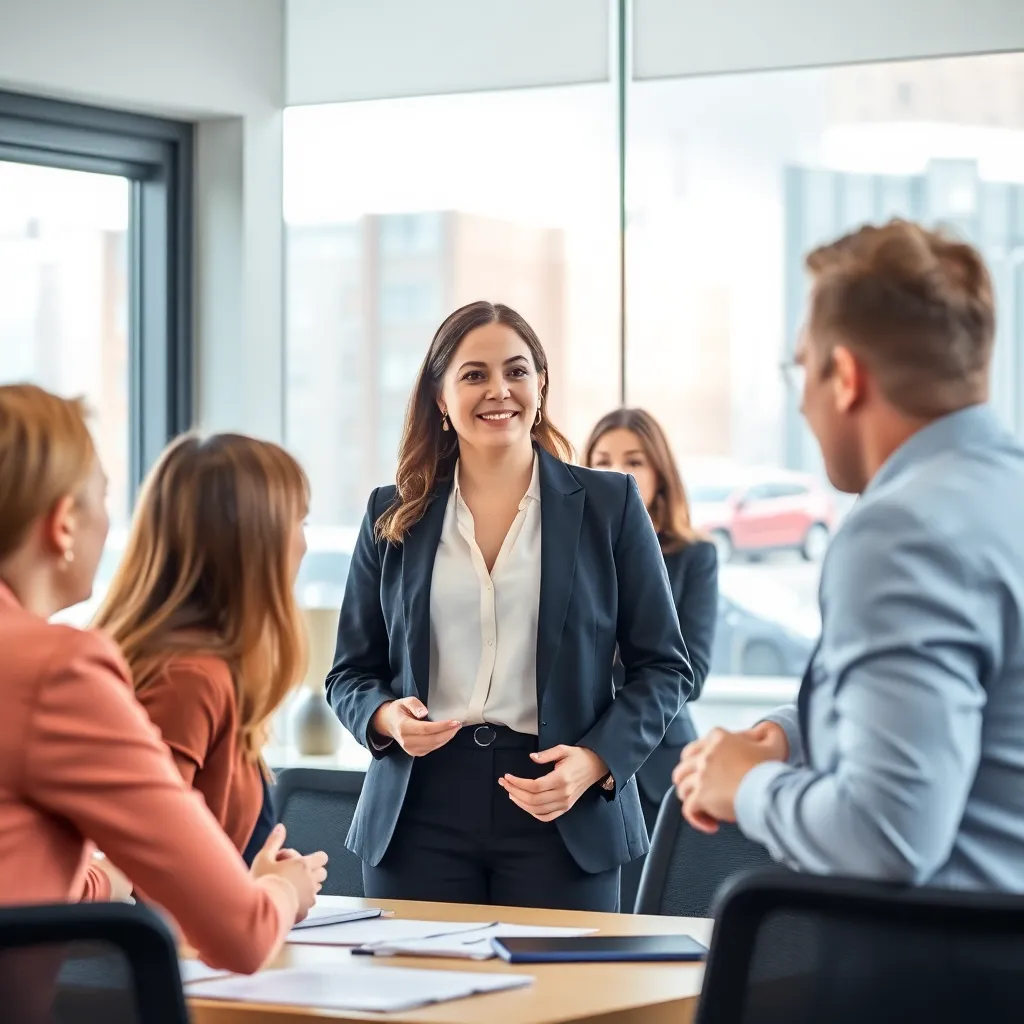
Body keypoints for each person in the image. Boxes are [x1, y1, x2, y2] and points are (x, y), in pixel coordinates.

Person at [673, 219, 1024, 890]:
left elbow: (887, 835)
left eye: (801, 368)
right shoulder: (1002, 496)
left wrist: (746, 786)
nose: (801, 402)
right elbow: (968, 724)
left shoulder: (901, 532)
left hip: (934, 955)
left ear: (845, 377)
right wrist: (793, 735)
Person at [327, 300, 692, 912]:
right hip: (419, 807)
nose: (499, 390)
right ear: (440, 399)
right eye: (474, 374)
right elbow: (349, 673)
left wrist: (596, 761)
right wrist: (387, 718)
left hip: (562, 802)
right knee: (420, 978)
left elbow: (665, 667)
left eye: (516, 371)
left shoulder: (611, 505)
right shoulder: (391, 514)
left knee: (560, 978)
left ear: (541, 385)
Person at [0, 383, 327, 972]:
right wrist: (281, 890)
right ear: (63, 524)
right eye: (103, 496)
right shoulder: (58, 671)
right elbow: (241, 934)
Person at [92, 433, 311, 864]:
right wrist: (264, 892)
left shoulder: (208, 669)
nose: (304, 545)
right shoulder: (189, 679)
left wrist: (259, 879)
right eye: (299, 523)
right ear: (254, 543)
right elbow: (151, 864)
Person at [584, 408, 718, 909]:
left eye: (634, 461)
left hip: (660, 768)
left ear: (660, 474)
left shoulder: (694, 555)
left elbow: (691, 673)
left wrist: (628, 650)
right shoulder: (568, 552)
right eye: (602, 460)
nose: (618, 472)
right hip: (579, 761)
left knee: (657, 915)